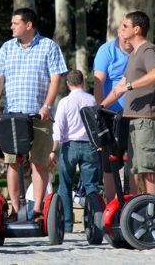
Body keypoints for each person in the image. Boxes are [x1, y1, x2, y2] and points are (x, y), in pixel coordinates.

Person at [0, 7, 67, 222]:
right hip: (12, 116)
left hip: (39, 116)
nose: (11, 27)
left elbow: (56, 79)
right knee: (12, 162)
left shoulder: (49, 46)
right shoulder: (6, 48)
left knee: (39, 162)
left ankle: (38, 210)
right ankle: (15, 209)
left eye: (15, 23)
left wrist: (46, 106)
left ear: (28, 25)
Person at [101, 11, 155, 195]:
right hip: (135, 120)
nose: (120, 29)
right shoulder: (133, 55)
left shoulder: (147, 50)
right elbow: (120, 86)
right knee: (136, 169)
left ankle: (154, 211)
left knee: (148, 169)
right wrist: (100, 107)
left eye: (124, 26)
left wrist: (129, 86)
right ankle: (141, 211)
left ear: (136, 29)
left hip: (148, 118)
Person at [51, 70, 100, 233]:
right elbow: (96, 123)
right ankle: (93, 220)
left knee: (64, 185)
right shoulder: (92, 99)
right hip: (89, 145)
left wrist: (53, 149)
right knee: (91, 185)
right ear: (83, 82)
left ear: (68, 84)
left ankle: (67, 224)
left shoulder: (64, 102)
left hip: (69, 146)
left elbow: (58, 127)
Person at [93, 21, 134, 203]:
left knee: (133, 161)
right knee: (110, 162)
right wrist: (101, 109)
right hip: (111, 114)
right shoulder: (106, 51)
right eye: (124, 38)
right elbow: (99, 82)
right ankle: (112, 204)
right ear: (118, 32)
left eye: (130, 38)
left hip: (134, 114)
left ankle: (134, 202)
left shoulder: (139, 51)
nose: (127, 42)